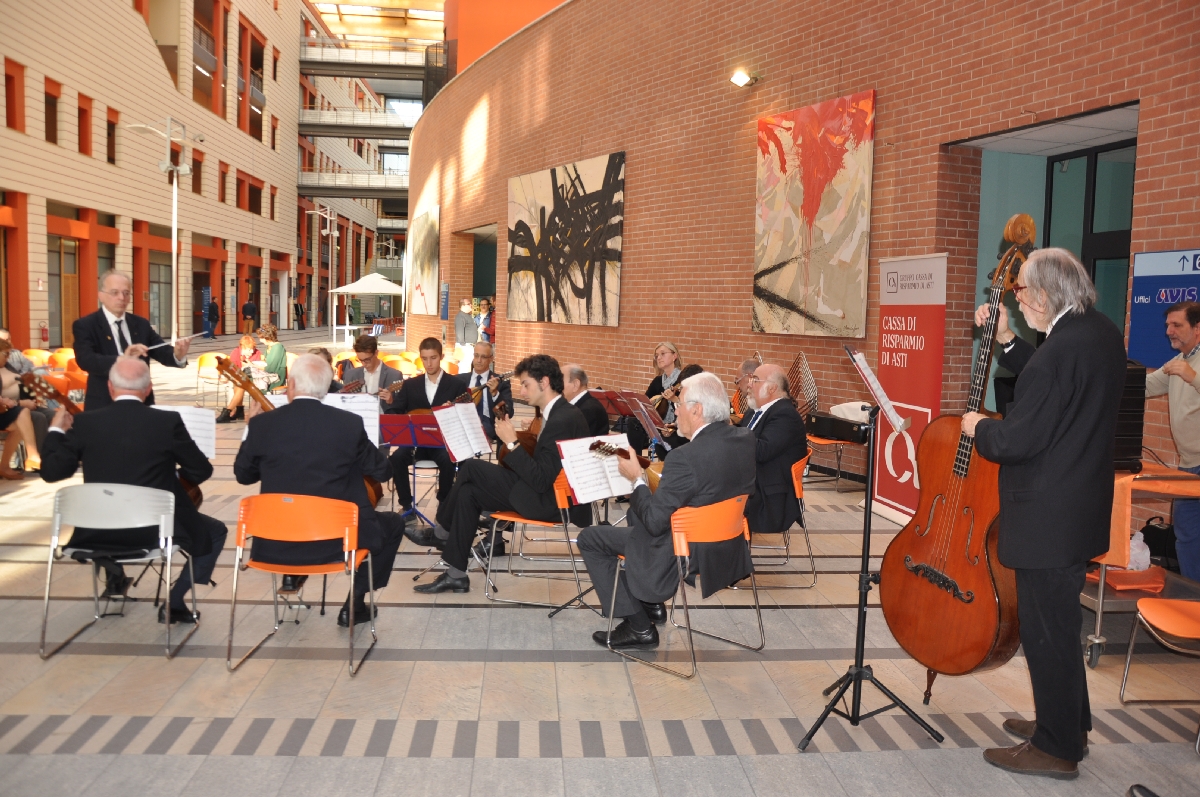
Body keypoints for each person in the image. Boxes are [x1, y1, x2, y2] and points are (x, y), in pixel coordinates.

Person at [962, 247, 1126, 779]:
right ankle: (1068, 723)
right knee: (1060, 626)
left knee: (1047, 633)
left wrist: (978, 429)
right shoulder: (1096, 331)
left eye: (1023, 290)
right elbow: (1053, 384)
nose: (1019, 298)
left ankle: (1055, 749)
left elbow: (1019, 437)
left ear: (1047, 294)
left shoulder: (1063, 348)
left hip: (1048, 515)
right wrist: (1008, 341)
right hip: (1077, 509)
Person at [576, 372, 756, 648]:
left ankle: (639, 627)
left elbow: (655, 523)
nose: (675, 410)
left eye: (679, 404)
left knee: (591, 538)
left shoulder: (684, 458)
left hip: (686, 549)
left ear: (697, 410)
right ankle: (651, 602)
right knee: (637, 511)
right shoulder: (745, 439)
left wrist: (636, 478)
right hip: (728, 543)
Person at [40, 357, 225, 621]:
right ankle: (174, 603)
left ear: (110, 388)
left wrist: (57, 430)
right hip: (152, 533)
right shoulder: (167, 422)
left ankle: (113, 572)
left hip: (94, 532)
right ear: (148, 388)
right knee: (216, 532)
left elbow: (52, 472)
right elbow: (201, 471)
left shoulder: (85, 423)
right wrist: (171, 479)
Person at [234, 354, 408, 626]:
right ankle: (355, 604)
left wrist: (250, 431)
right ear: (326, 389)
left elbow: (243, 475)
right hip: (336, 543)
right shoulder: (347, 424)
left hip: (274, 543)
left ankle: (293, 575)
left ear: (290, 384)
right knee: (393, 524)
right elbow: (383, 472)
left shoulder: (261, 425)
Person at [412, 354, 591, 593]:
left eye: (526, 384)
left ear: (544, 382)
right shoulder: (559, 412)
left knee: (473, 467)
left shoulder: (562, 418)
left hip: (550, 501)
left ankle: (442, 530)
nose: (523, 392)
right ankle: (456, 574)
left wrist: (513, 443)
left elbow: (540, 479)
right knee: (468, 493)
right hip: (543, 492)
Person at [73, 270, 191, 410]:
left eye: (126, 293)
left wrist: (178, 354)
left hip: (142, 405)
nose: (121, 298)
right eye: (114, 292)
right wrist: (121, 359)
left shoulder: (141, 324)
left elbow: (162, 351)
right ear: (101, 296)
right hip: (103, 405)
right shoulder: (86, 325)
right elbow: (86, 360)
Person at [1146, 300, 1200, 580]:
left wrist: (1193, 376)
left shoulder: (1188, 367)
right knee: (1187, 537)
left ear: (1198, 328)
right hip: (1189, 467)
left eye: (1177, 325)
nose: (1169, 331)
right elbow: (1145, 387)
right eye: (1168, 325)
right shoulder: (1177, 363)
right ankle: (1193, 603)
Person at [384, 338, 469, 513]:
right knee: (396, 459)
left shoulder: (457, 385)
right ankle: (406, 506)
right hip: (415, 442)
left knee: (448, 460)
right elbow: (395, 410)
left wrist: (451, 412)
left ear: (441, 357)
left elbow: (465, 417)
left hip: (441, 444)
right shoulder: (410, 385)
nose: (428, 363)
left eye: (433, 358)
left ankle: (444, 503)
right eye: (424, 358)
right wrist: (396, 418)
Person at [742, 363, 808, 535]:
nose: (749, 384)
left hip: (768, 498)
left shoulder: (785, 415)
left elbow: (761, 451)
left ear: (772, 388)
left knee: (707, 493)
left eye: (755, 380)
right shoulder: (754, 411)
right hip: (751, 483)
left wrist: (728, 435)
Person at [0, 338, 42, 479]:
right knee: (24, 414)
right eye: (5, 354)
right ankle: (33, 455)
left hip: (5, 409)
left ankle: (6, 466)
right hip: (7, 408)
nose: (8, 357)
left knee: (21, 420)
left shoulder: (8, 366)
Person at [465, 342, 511, 444]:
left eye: (483, 357)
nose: (479, 360)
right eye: (476, 356)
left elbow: (507, 414)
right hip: (464, 427)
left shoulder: (501, 382)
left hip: (488, 429)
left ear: (491, 359)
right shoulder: (459, 380)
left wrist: (495, 393)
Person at [342, 334, 403, 410]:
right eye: (360, 360)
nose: (364, 364)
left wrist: (391, 401)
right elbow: (343, 404)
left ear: (376, 353)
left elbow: (401, 409)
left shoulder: (395, 375)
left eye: (367, 360)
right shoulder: (351, 375)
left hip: (382, 419)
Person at [216, 336, 262, 423]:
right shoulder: (236, 352)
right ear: (242, 347)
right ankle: (238, 412)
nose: (251, 351)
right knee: (239, 385)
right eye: (249, 349)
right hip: (240, 378)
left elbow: (257, 369)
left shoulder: (257, 353)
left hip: (253, 378)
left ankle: (229, 412)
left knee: (240, 385)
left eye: (253, 348)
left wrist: (250, 364)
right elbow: (232, 369)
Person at [563, 363, 610, 437]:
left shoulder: (588, 410)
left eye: (560, 381)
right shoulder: (583, 406)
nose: (557, 386)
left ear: (575, 384)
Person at [258, 324, 287, 390]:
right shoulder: (269, 346)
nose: (260, 341)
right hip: (269, 375)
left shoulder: (277, 347)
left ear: (268, 337)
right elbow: (264, 361)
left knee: (249, 383)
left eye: (262, 338)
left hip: (275, 378)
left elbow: (270, 368)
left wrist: (255, 366)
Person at [734, 358, 761, 426]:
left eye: (738, 381)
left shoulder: (769, 410)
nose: (738, 386)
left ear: (750, 377)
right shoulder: (751, 409)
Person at [454, 298, 478, 365]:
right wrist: (463, 345)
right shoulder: (460, 316)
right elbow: (459, 332)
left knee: (467, 367)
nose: (471, 305)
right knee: (464, 367)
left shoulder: (468, 315)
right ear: (463, 305)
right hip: (465, 346)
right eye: (469, 304)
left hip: (469, 346)